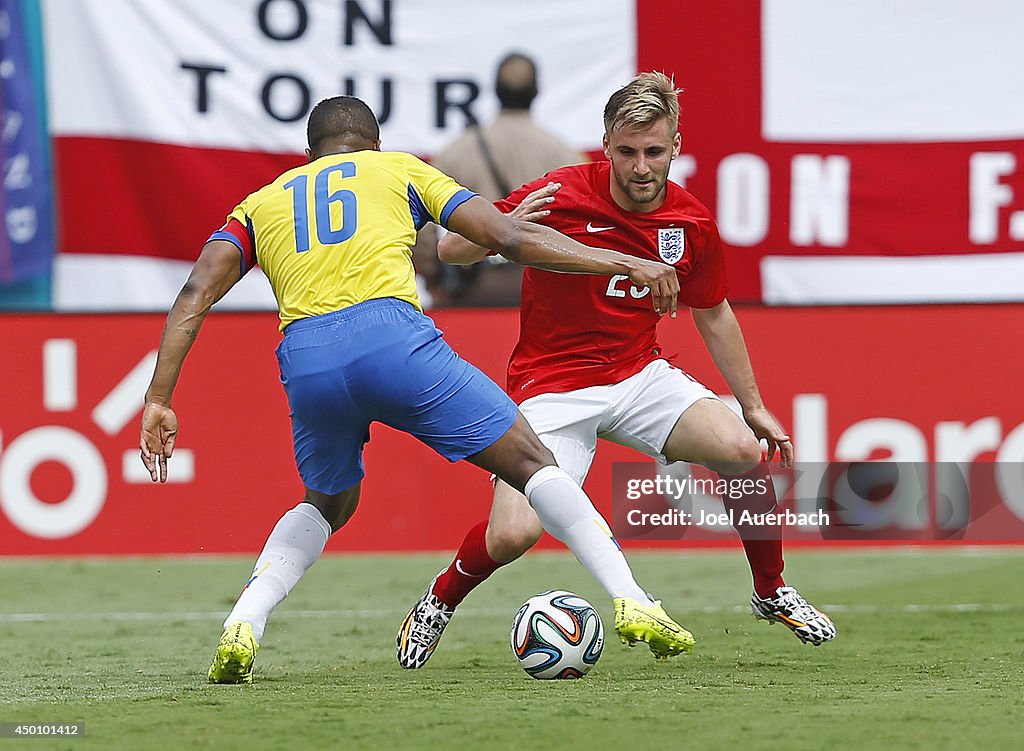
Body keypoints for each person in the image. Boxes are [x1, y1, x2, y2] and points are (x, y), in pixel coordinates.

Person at [138, 95, 695, 685]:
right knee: (533, 461)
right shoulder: (399, 169)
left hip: (307, 358)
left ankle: (244, 621)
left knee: (327, 503)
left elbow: (195, 293)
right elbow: (506, 237)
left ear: (309, 154)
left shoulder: (261, 203)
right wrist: (624, 263)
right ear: (374, 145)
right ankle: (633, 599)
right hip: (392, 341)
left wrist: (159, 398)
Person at [397, 72, 836, 668]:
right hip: (551, 385)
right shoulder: (559, 192)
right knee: (512, 534)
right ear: (605, 144)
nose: (640, 166)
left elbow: (712, 312)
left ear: (675, 145)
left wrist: (753, 405)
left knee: (739, 448)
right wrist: (507, 228)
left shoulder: (691, 222)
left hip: (637, 375)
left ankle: (770, 589)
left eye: (654, 151)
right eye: (627, 151)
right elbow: (450, 250)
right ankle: (441, 598)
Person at [423, 52, 586, 306]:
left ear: (495, 90)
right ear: (537, 91)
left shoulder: (455, 152)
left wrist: (433, 277)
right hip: (543, 286)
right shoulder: (565, 155)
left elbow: (423, 219)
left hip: (473, 289)